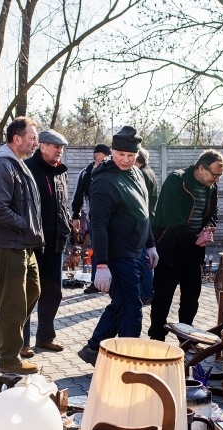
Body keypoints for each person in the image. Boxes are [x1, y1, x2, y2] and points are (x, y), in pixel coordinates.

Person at [77, 127, 157, 365]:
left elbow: (144, 214)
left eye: (131, 155)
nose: (125, 159)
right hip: (118, 255)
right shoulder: (104, 181)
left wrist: (151, 245)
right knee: (133, 308)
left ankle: (93, 349)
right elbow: (98, 224)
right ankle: (127, 361)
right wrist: (101, 264)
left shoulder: (138, 174)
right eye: (120, 153)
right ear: (112, 151)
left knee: (121, 304)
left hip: (138, 252)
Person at [0, 117, 43, 374]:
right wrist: (25, 226)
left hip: (23, 243)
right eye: (32, 138)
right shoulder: (1, 165)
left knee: (33, 290)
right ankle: (9, 358)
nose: (35, 143)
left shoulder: (18, 164)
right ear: (16, 139)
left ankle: (1, 340)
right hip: (10, 243)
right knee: (13, 302)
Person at [148, 149, 223, 342]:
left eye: (220, 175)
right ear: (201, 168)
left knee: (191, 297)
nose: (217, 179)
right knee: (163, 297)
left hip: (194, 250)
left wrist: (208, 228)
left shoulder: (211, 187)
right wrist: (194, 238)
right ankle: (157, 339)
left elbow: (213, 213)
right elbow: (172, 218)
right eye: (214, 174)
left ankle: (186, 338)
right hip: (170, 247)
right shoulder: (177, 180)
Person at [23, 129, 73, 353]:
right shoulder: (28, 169)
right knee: (28, 294)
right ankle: (21, 343)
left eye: (61, 148)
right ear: (42, 146)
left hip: (56, 242)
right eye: (56, 147)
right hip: (33, 244)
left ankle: (45, 337)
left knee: (53, 293)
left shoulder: (61, 172)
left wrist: (70, 224)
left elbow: (63, 204)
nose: (59, 151)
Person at [71, 144, 110, 294]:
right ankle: (96, 282)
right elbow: (78, 196)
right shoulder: (86, 173)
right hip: (94, 218)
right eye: (101, 154)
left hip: (113, 217)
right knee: (96, 249)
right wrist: (75, 216)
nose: (104, 158)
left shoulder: (111, 171)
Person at [136, 147, 158, 305]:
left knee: (144, 259)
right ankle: (147, 291)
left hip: (144, 220)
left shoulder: (142, 174)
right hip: (149, 217)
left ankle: (147, 293)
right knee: (146, 258)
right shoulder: (149, 171)